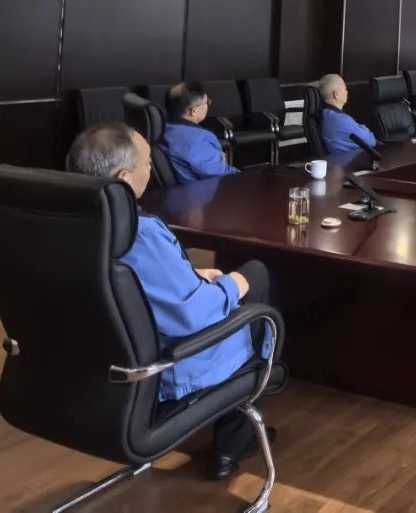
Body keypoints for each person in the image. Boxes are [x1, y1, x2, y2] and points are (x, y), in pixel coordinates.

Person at [66, 123, 278, 480]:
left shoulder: (66, 228)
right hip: (166, 367)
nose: (152, 169)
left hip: (88, 369)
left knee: (229, 284)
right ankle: (233, 443)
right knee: (254, 278)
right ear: (123, 178)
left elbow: (138, 286)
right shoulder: (141, 234)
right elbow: (191, 316)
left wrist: (192, 277)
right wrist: (232, 285)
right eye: (148, 162)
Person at [162, 82, 239, 184]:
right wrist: (222, 164)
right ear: (193, 111)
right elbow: (223, 175)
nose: (208, 105)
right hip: (202, 191)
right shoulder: (197, 140)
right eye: (207, 102)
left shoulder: (162, 129)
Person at [318, 73, 378, 155]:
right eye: (345, 89)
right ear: (336, 94)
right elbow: (371, 141)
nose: (347, 92)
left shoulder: (325, 114)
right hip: (349, 160)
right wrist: (362, 127)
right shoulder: (340, 120)